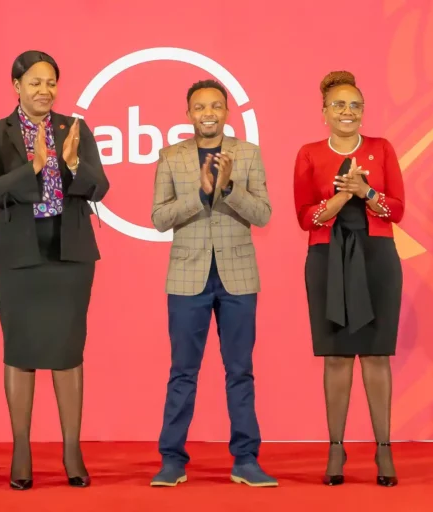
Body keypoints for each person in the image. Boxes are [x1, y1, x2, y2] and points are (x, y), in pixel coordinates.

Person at [0, 50, 109, 490]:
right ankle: (21, 451)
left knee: (69, 351)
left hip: (70, 253)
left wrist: (71, 162)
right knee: (21, 351)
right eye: (34, 82)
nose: (44, 90)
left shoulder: (75, 129)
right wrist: (31, 167)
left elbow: (100, 188)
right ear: (16, 86)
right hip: (19, 257)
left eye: (50, 82)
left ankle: (72, 451)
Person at [150, 79, 276, 487]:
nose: (208, 113)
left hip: (238, 276)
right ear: (188, 114)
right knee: (182, 371)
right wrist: (202, 195)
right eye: (200, 107)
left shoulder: (248, 155)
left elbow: (263, 214)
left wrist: (229, 188)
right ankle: (172, 459)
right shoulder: (171, 156)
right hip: (187, 277)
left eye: (216, 106)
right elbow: (159, 217)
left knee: (240, 371)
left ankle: (245, 459)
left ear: (227, 112)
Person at [293, 70, 405, 487]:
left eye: (354, 105)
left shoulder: (382, 148)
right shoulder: (308, 153)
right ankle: (336, 449)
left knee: (377, 355)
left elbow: (397, 209)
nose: (347, 111)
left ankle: (384, 451)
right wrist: (342, 195)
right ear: (324, 112)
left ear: (363, 111)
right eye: (338, 105)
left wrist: (367, 192)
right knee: (337, 356)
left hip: (377, 258)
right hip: (327, 258)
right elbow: (306, 216)